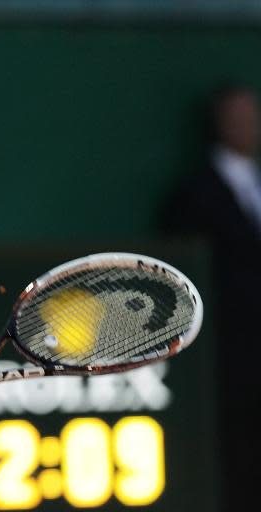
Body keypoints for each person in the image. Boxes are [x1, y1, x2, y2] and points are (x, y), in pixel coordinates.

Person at [163, 84, 261, 509]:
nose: (245, 125)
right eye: (235, 116)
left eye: (250, 115)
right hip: (230, 352)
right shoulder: (196, 194)